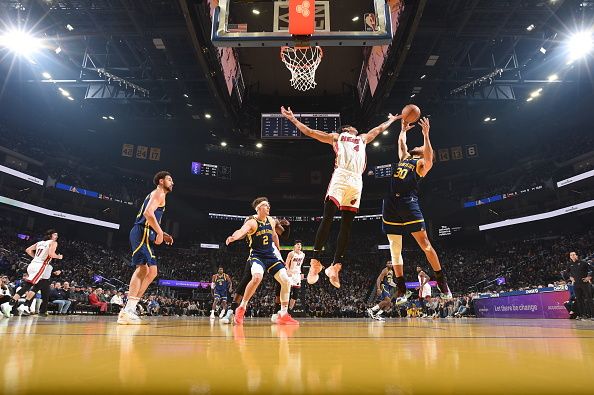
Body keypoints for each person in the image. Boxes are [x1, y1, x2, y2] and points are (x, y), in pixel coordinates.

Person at [281, 106, 400, 288]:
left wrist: (391, 120)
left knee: (347, 225)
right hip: (341, 176)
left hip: (356, 181)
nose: (355, 128)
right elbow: (310, 132)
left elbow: (378, 129)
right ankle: (315, 263)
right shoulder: (336, 137)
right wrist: (293, 119)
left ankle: (335, 267)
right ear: (345, 130)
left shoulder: (363, 139)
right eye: (351, 127)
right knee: (327, 217)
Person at [382, 117, 452, 299]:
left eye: (421, 147)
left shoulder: (421, 164)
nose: (418, 146)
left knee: (426, 245)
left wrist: (426, 136)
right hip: (390, 203)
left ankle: (442, 281)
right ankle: (401, 287)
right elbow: (401, 143)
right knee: (394, 248)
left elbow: (429, 158)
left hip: (408, 203)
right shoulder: (405, 158)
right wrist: (403, 129)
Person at [225, 197, 298, 325]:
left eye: (269, 205)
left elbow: (275, 235)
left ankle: (284, 314)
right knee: (257, 277)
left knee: (286, 280)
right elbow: (241, 231)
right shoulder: (252, 222)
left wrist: (279, 252)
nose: (268, 207)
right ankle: (241, 308)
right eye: (265, 205)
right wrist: (233, 237)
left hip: (271, 255)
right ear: (258, 208)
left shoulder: (271, 220)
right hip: (257, 255)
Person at [118, 171, 174, 325]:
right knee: (143, 269)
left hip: (146, 233)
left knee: (153, 272)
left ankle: (130, 307)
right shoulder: (159, 193)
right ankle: (127, 310)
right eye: (170, 179)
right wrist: (160, 234)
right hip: (141, 232)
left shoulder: (159, 195)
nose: (172, 182)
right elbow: (148, 214)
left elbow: (152, 217)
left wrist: (163, 233)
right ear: (161, 181)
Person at [8, 229, 64, 315]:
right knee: (29, 285)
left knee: (32, 285)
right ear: (50, 236)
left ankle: (22, 304)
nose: (57, 237)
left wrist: (35, 257)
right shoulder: (53, 243)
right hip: (40, 265)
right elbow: (51, 254)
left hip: (32, 264)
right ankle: (15, 303)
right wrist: (59, 256)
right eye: (55, 235)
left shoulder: (40, 242)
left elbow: (27, 250)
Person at [566, 252, 593, 320]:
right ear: (570, 257)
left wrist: (589, 277)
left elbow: (593, 269)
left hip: (584, 283)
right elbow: (566, 273)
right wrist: (570, 277)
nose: (572, 256)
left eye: (574, 254)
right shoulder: (569, 264)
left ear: (577, 256)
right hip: (576, 285)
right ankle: (582, 315)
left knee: (589, 299)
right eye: (571, 255)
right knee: (579, 300)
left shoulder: (583, 263)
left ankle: (592, 315)